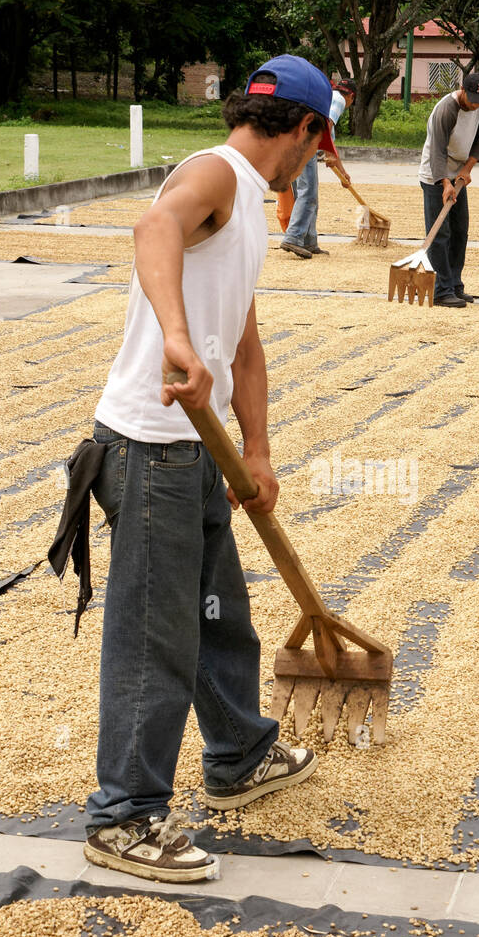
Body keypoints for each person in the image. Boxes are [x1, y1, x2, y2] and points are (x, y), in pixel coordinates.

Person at [82, 54, 336, 883]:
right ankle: (124, 818)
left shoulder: (253, 205)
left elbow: (249, 342)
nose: (316, 154)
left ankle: (236, 754)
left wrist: (256, 451)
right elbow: (153, 230)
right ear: (304, 129)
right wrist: (178, 339)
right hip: (147, 444)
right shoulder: (214, 174)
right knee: (155, 634)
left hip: (196, 447)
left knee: (219, 615)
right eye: (319, 140)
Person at [417, 72, 479, 307]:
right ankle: (441, 290)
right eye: (472, 98)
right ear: (461, 90)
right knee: (440, 235)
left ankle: (455, 285)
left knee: (460, 231)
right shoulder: (446, 109)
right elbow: (436, 150)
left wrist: (467, 170)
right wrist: (444, 182)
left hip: (458, 175)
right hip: (434, 175)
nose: (476, 103)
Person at [280, 76, 355, 257]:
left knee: (304, 194)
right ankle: (293, 237)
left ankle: (309, 241)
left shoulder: (325, 100)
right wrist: (329, 156)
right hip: (304, 146)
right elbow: (327, 126)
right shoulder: (337, 99)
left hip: (293, 144)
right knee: (309, 194)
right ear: (351, 96)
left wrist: (343, 174)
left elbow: (331, 147)